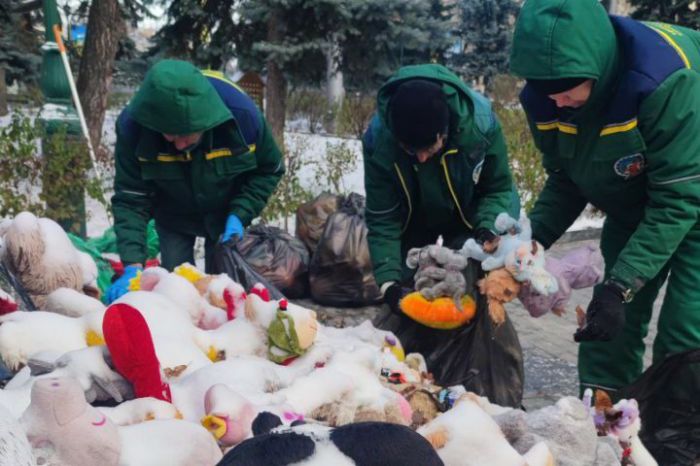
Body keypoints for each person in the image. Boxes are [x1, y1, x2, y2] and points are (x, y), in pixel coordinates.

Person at [510, 0, 700, 396]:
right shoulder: (547, 96)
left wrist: (621, 285)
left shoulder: (664, 80)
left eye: (565, 94)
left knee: (687, 327)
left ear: (596, 67)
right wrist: (529, 244)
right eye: (548, 96)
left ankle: (675, 435)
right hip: (635, 199)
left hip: (689, 189)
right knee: (607, 321)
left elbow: (677, 200)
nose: (557, 104)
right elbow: (567, 179)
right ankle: (602, 416)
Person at [362, 64, 523, 406]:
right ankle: (405, 387)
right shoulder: (380, 141)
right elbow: (382, 217)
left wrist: (487, 228)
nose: (420, 157)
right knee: (408, 304)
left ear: (445, 130)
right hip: (411, 226)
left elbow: (498, 188)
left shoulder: (479, 127)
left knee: (467, 298)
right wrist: (390, 282)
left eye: (428, 148)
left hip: (468, 224)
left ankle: (484, 397)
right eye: (411, 150)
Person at [106, 60, 284, 303]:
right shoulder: (134, 128)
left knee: (221, 292)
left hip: (224, 212)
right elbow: (131, 198)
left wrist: (240, 213)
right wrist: (132, 264)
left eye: (186, 135)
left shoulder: (243, 119)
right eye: (169, 135)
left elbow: (269, 169)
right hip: (172, 213)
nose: (178, 145)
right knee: (175, 292)